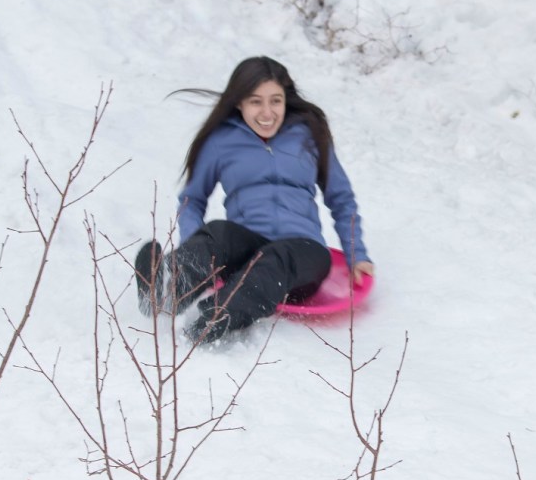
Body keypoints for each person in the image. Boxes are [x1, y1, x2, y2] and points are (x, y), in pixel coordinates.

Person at [134, 56, 374, 344]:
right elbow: (193, 200)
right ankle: (170, 289)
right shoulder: (221, 142)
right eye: (255, 101)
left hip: (303, 253)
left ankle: (219, 317)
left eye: (276, 101)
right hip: (247, 247)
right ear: (239, 103)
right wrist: (192, 248)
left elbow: (342, 199)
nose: (267, 112)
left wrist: (356, 254)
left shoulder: (310, 136)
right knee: (219, 231)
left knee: (276, 258)